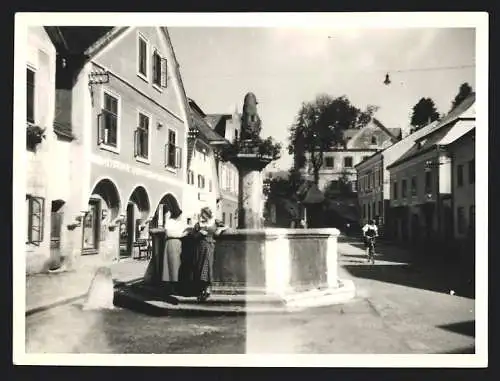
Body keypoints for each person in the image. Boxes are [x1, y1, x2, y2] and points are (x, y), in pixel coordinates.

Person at [190, 206, 227, 302]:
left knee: (207, 267)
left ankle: (207, 289)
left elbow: (225, 226)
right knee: (199, 267)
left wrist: (220, 230)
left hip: (210, 247)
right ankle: (202, 290)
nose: (202, 216)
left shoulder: (215, 221)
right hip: (200, 247)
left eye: (203, 214)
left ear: (207, 214)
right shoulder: (199, 224)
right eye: (202, 215)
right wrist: (200, 233)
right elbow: (193, 236)